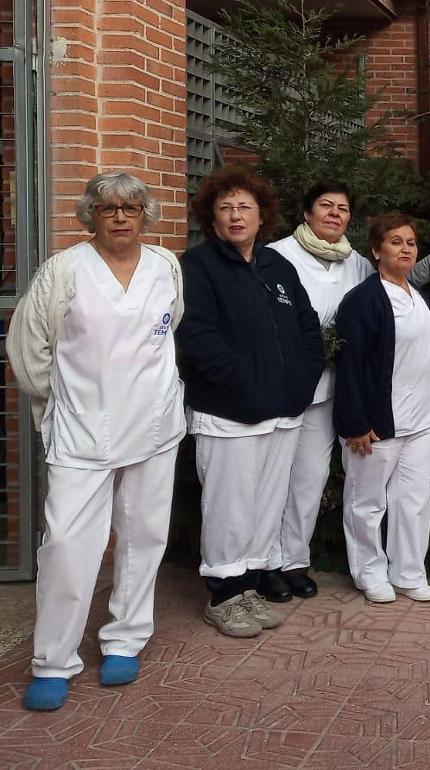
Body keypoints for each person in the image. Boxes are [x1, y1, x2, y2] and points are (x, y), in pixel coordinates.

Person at [7, 172, 185, 710]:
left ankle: (126, 638)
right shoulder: (64, 271)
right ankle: (53, 661)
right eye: (109, 208)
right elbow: (28, 349)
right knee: (66, 545)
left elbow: (167, 327)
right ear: (92, 214)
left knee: (144, 534)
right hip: (82, 428)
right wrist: (58, 403)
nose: (121, 216)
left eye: (132, 207)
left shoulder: (166, 267)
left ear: (145, 215)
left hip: (154, 423)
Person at [176, 167, 324, 637]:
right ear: (211, 218)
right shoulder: (197, 267)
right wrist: (245, 382)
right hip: (230, 412)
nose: (236, 215)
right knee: (229, 504)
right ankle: (223, 594)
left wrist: (301, 382)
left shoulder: (277, 266)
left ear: (262, 217)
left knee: (265, 502)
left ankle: (250, 587)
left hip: (283, 411)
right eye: (225, 208)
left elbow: (307, 330)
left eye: (245, 207)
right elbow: (197, 337)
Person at [267, 182, 374, 600]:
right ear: (307, 213)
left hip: (328, 391)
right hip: (282, 388)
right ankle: (261, 562)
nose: (334, 214)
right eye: (325, 206)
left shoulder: (357, 264)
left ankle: (293, 560)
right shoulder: (276, 256)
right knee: (270, 479)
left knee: (310, 479)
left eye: (343, 208)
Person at [333, 212, 430, 604]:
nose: (406, 248)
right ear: (376, 251)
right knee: (366, 503)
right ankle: (369, 573)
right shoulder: (363, 300)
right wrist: (356, 423)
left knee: (413, 502)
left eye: (411, 242)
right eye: (395, 242)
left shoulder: (418, 296)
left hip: (420, 422)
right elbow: (352, 365)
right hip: (377, 424)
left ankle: (409, 572)